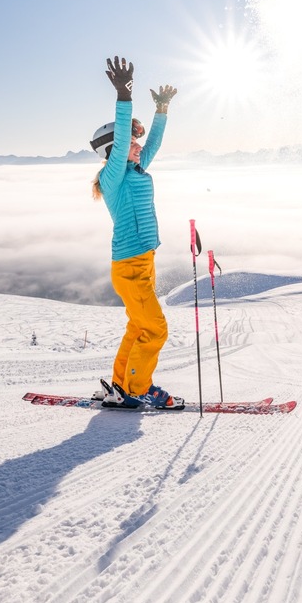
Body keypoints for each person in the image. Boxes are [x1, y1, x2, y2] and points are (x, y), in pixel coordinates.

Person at [90, 55, 184, 411]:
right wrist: (124, 95)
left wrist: (161, 110)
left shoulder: (135, 168)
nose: (138, 146)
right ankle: (138, 388)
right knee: (156, 329)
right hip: (130, 266)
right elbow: (122, 138)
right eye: (131, 142)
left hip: (143, 261)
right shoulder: (113, 175)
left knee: (138, 328)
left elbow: (153, 144)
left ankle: (120, 385)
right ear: (114, 150)